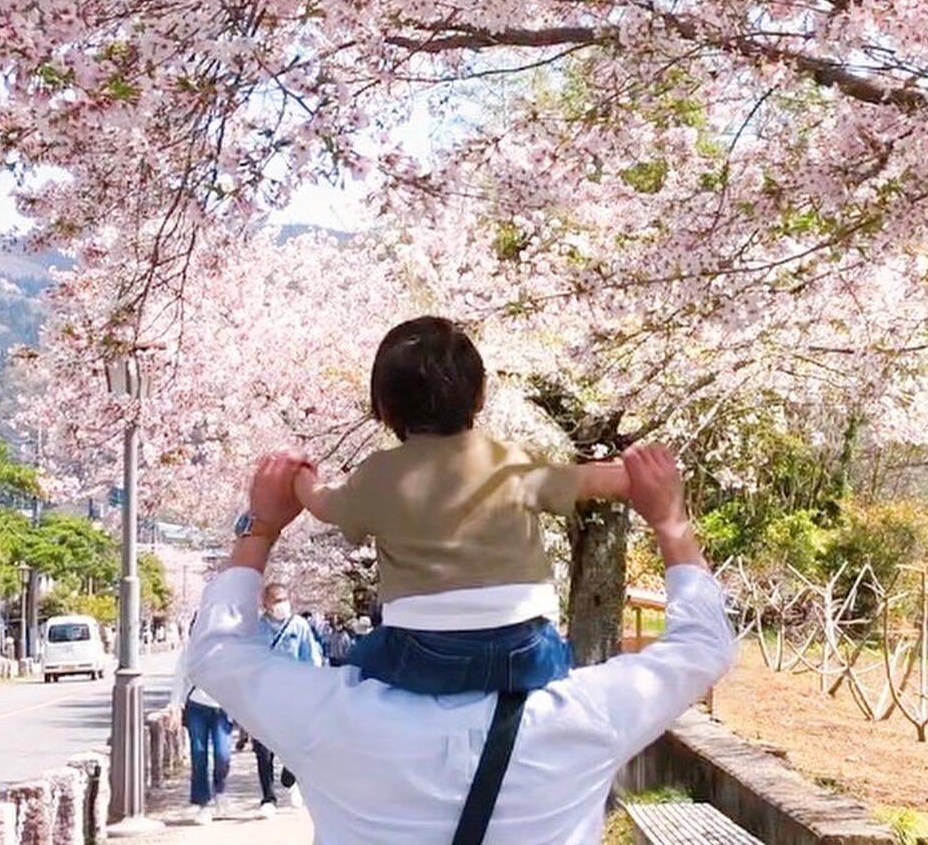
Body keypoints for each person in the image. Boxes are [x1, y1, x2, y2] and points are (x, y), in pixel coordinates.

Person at [187, 442, 733, 844]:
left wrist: (259, 529)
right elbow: (702, 646)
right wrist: (670, 522)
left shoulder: (331, 718)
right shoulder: (584, 718)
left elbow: (216, 652)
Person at [294, 316, 632, 697]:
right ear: (480, 395)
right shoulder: (513, 461)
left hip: (422, 652)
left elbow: (324, 505)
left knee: (359, 666)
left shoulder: (377, 475)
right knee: (557, 655)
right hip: (526, 648)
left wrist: (301, 478)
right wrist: (636, 474)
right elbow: (589, 480)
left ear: (384, 405)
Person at [251, 581, 322, 816]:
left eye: (284, 599)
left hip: (294, 697)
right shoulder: (255, 630)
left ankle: (290, 777)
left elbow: (310, 660)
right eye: (277, 600)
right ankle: (268, 798)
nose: (282, 604)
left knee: (296, 744)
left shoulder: (298, 626)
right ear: (265, 604)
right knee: (263, 749)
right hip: (264, 699)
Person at [177, 654, 234, 825]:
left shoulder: (227, 643)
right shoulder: (192, 645)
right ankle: (203, 803)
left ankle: (220, 789)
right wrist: (175, 704)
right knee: (198, 753)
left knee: (222, 754)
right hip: (196, 705)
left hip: (222, 708)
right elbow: (180, 674)